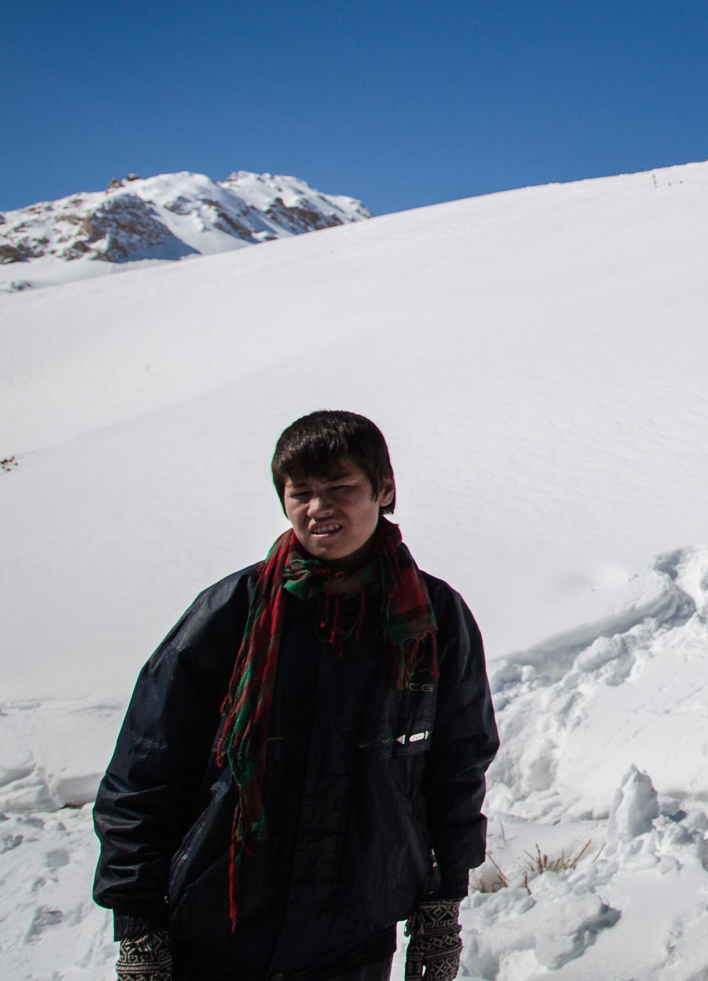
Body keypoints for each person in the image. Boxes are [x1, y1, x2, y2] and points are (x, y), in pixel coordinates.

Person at [93, 411, 499, 981]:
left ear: (384, 490)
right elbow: (146, 767)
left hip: (354, 935)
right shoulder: (234, 611)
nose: (318, 508)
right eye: (300, 492)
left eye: (340, 488)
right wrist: (137, 922)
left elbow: (456, 768)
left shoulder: (434, 619)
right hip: (217, 928)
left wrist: (441, 907)